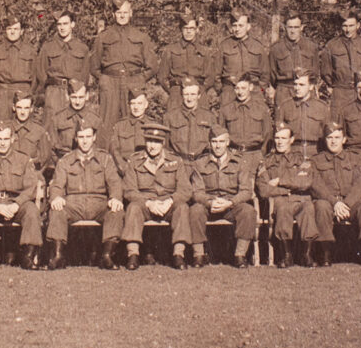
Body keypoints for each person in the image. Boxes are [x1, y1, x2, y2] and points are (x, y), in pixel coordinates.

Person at [45, 116, 124, 270]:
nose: (85, 141)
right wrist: (56, 197)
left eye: (88, 136)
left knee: (116, 211)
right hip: (74, 204)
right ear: (76, 138)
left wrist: (115, 198)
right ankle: (58, 255)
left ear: (94, 137)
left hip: (99, 203)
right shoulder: (65, 161)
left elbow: (114, 182)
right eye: (81, 137)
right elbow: (57, 184)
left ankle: (107, 256)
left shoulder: (105, 159)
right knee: (57, 211)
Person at [121, 123, 193, 270]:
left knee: (182, 208)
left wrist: (170, 201)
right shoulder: (135, 161)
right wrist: (148, 203)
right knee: (133, 207)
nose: (152, 146)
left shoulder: (175, 161)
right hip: (145, 205)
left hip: (168, 204)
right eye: (149, 141)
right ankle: (133, 255)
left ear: (163, 143)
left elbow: (185, 190)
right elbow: (129, 190)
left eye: (156, 142)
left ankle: (178, 254)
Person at [0, 121, 42, 270]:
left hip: (17, 202)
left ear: (12, 139)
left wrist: (17, 203)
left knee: (32, 211)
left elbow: (31, 187)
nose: (2, 143)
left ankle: (28, 257)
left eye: (6, 139)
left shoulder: (23, 160)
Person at [309, 121, 361, 266]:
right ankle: (326, 253)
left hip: (349, 203)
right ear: (324, 140)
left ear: (344, 139)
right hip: (329, 203)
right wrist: (335, 203)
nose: (333, 141)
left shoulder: (356, 159)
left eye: (337, 137)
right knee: (321, 206)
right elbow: (316, 185)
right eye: (329, 138)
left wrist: (346, 204)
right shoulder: (316, 160)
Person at [189, 124, 256, 268]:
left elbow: (246, 191)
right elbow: (197, 192)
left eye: (221, 142)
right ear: (209, 143)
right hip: (209, 205)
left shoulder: (240, 162)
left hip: (232, 206)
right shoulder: (199, 164)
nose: (217, 146)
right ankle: (198, 255)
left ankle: (240, 255)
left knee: (248, 211)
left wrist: (230, 203)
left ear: (227, 142)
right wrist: (210, 202)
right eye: (214, 142)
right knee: (195, 210)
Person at [91, 0, 158, 134]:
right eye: (118, 12)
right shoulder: (103, 37)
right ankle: (107, 154)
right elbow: (93, 66)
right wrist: (105, 80)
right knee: (107, 122)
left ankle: (134, 153)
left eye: (125, 12)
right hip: (110, 83)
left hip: (133, 82)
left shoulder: (141, 37)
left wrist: (139, 79)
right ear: (114, 14)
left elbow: (153, 66)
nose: (122, 15)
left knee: (134, 120)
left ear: (131, 13)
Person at [256, 122, 317, 268]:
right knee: (283, 208)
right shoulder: (266, 161)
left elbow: (306, 181)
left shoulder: (301, 160)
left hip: (301, 199)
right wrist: (286, 191)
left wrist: (280, 181)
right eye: (277, 138)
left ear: (291, 140)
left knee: (308, 208)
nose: (279, 142)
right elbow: (263, 189)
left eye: (283, 138)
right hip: (280, 200)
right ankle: (286, 255)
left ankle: (307, 254)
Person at [36, 10, 91, 120]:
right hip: (54, 92)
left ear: (72, 24)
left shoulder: (82, 48)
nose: (62, 27)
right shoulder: (48, 47)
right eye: (59, 24)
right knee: (51, 127)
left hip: (74, 93)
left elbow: (85, 75)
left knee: (72, 127)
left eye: (65, 23)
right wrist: (47, 93)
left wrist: (79, 94)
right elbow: (41, 73)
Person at [321, 11, 361, 112]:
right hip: (341, 92)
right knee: (338, 124)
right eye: (345, 26)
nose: (348, 30)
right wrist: (333, 87)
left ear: (358, 25)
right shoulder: (331, 45)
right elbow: (326, 71)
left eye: (351, 25)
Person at [157, 11, 215, 112]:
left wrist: (199, 91)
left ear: (197, 29)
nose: (188, 31)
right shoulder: (170, 50)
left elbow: (211, 77)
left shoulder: (204, 51)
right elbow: (162, 77)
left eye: (191, 28)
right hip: (177, 93)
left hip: (198, 94)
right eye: (185, 28)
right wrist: (173, 91)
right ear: (181, 30)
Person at [0, 14, 38, 123]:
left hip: (23, 92)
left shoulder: (30, 51)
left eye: (16, 29)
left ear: (22, 31)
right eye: (9, 29)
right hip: (2, 95)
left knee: (23, 128)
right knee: (1, 128)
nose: (12, 32)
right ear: (5, 31)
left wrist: (29, 95)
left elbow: (35, 78)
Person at [218, 72, 273, 174]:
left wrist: (261, 156)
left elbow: (268, 135)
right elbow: (221, 135)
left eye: (243, 88)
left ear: (251, 87)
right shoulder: (225, 110)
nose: (240, 92)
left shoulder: (261, 109)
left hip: (255, 156)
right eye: (237, 88)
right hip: (233, 156)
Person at [215, 10, 268, 108]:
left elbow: (265, 74)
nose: (237, 29)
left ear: (248, 26)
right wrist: (223, 91)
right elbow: (216, 74)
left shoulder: (258, 46)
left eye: (241, 25)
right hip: (230, 91)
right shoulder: (224, 46)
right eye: (234, 25)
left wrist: (260, 91)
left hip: (254, 92)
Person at [269, 12, 321, 109]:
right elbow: (272, 75)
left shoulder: (311, 47)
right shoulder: (276, 48)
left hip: (306, 92)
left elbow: (315, 72)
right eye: (290, 27)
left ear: (301, 27)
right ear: (285, 28)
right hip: (284, 91)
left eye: (296, 27)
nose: (293, 31)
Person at [164, 78, 221, 164]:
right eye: (186, 94)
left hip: (202, 164)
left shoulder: (209, 117)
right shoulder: (170, 116)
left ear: (199, 96)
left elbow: (216, 144)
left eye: (193, 94)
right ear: (182, 95)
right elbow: (165, 146)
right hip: (179, 164)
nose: (189, 98)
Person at [276, 69, 329, 160]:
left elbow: (328, 136)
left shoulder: (322, 107)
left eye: (301, 85)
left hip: (315, 154)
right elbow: (278, 135)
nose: (297, 88)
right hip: (291, 155)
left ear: (311, 86)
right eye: (295, 84)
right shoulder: (285, 106)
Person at [48, 80, 101, 160]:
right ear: (67, 96)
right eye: (74, 97)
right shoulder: (58, 118)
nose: (77, 102)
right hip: (63, 163)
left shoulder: (94, 119)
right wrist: (60, 165)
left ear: (87, 96)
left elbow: (100, 148)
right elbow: (51, 147)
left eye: (81, 97)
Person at [108, 87, 151, 172]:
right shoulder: (119, 126)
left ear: (146, 104)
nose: (136, 107)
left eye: (139, 103)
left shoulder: (153, 125)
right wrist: (124, 169)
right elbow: (114, 150)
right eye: (133, 103)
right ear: (129, 105)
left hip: (147, 172)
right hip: (124, 171)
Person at [10, 93, 52, 175]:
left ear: (31, 109)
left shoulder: (39, 131)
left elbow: (45, 158)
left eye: (26, 108)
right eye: (19, 107)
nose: (22, 112)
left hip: (30, 176)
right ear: (13, 107)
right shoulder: (6, 129)